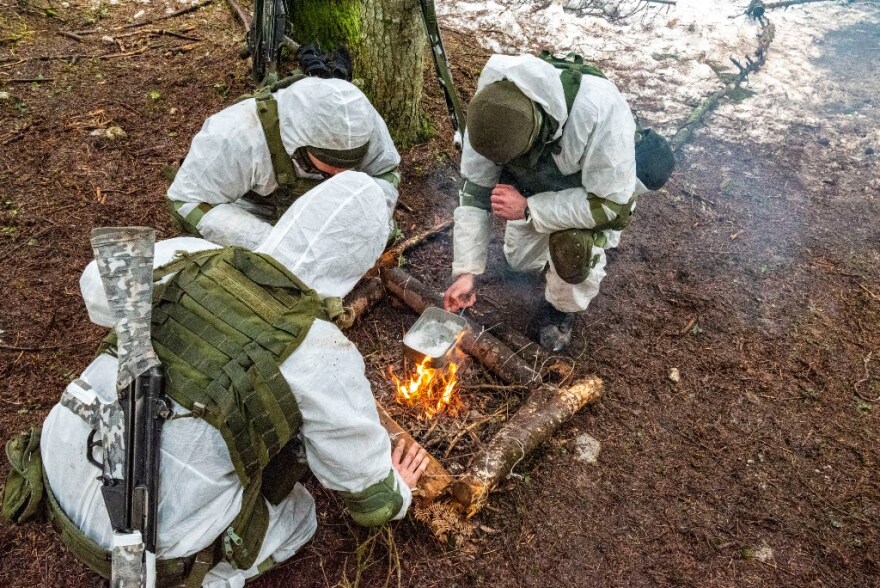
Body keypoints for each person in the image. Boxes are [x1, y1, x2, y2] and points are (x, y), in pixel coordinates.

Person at [37, 172, 428, 587]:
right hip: (139, 547)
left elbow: (96, 284)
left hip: (57, 457)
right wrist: (398, 491)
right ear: (362, 261)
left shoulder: (195, 255)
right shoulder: (320, 351)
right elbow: (371, 499)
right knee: (299, 515)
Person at [443, 54, 674, 351]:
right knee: (519, 262)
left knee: (571, 247)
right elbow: (474, 193)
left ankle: (561, 310)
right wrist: (467, 272)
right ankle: (542, 251)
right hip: (536, 192)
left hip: (594, 198)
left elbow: (610, 208)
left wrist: (529, 209)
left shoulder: (600, 112)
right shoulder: (490, 110)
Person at [166, 76, 401, 250]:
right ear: (299, 147)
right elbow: (186, 202)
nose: (341, 175)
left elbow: (385, 171)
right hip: (259, 210)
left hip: (325, 210)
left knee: (380, 234)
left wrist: (368, 215)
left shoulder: (361, 118)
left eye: (350, 166)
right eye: (330, 167)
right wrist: (270, 242)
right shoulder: (235, 137)